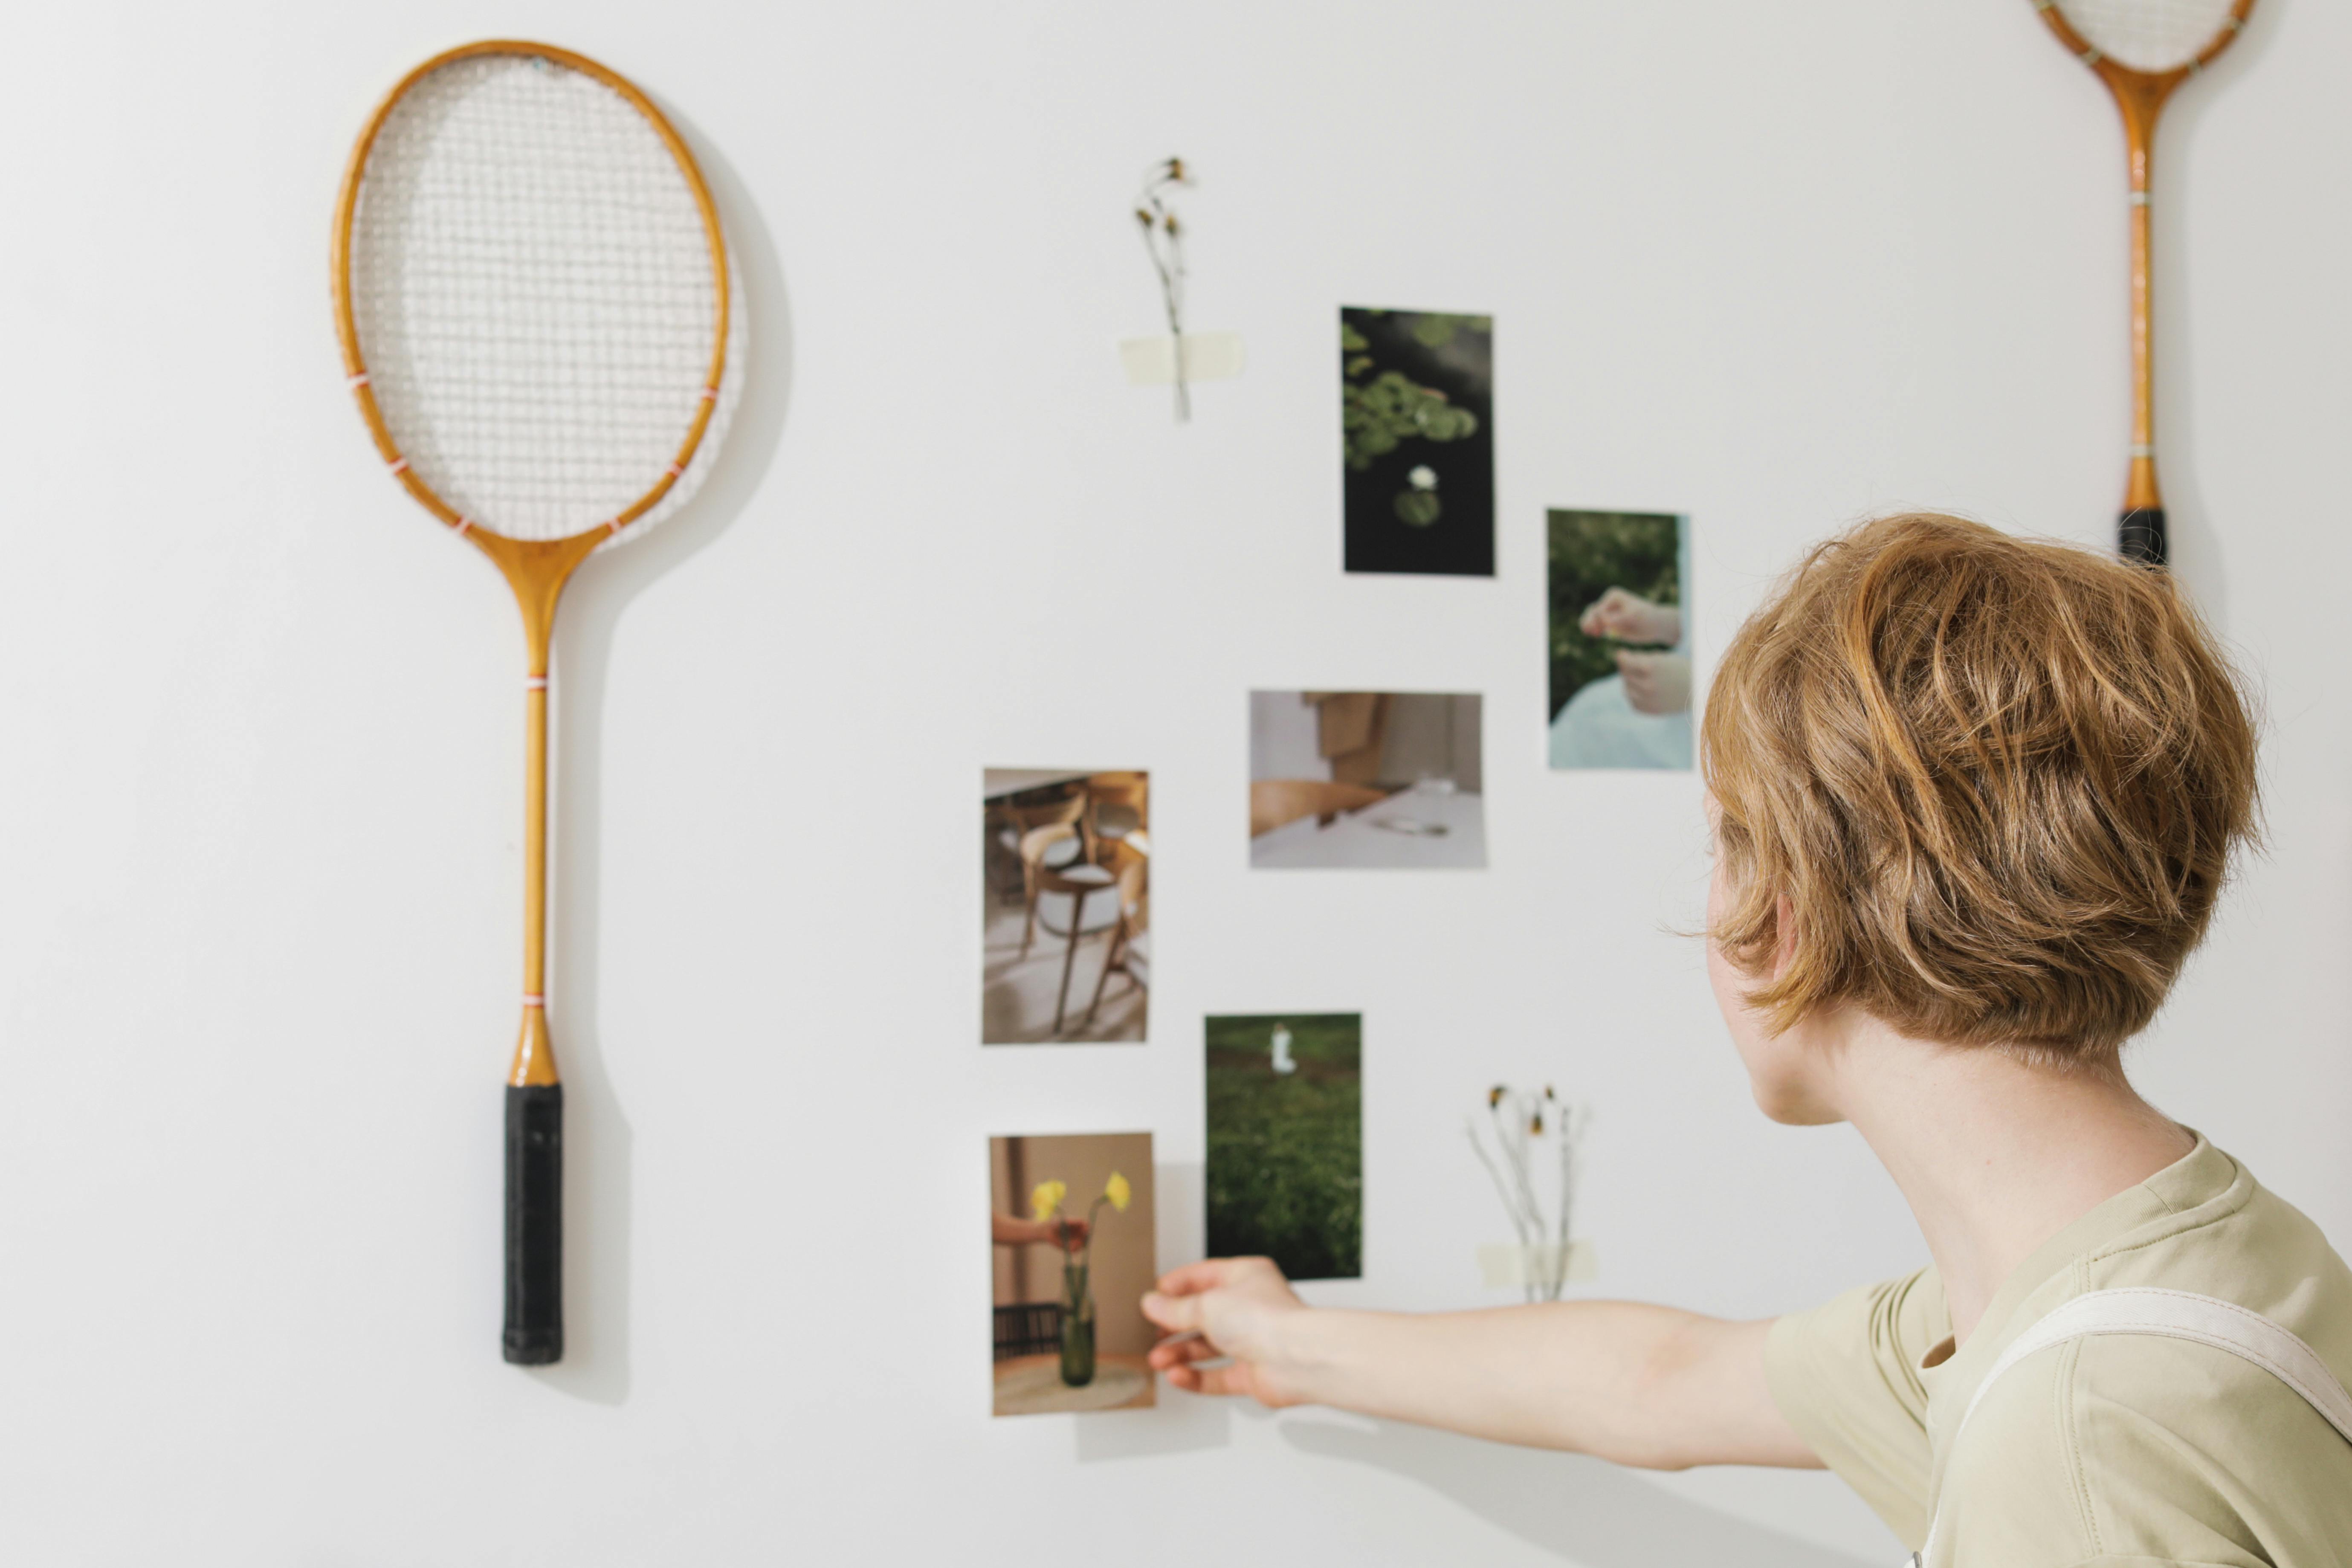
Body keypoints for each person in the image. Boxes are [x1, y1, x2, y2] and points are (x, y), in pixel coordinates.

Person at [1146, 514, 2352, 1565]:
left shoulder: (2075, 1445)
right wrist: (1284, 1342)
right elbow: (1655, 1384)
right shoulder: (2170, 1256)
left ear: (1787, 908)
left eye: (1725, 839)